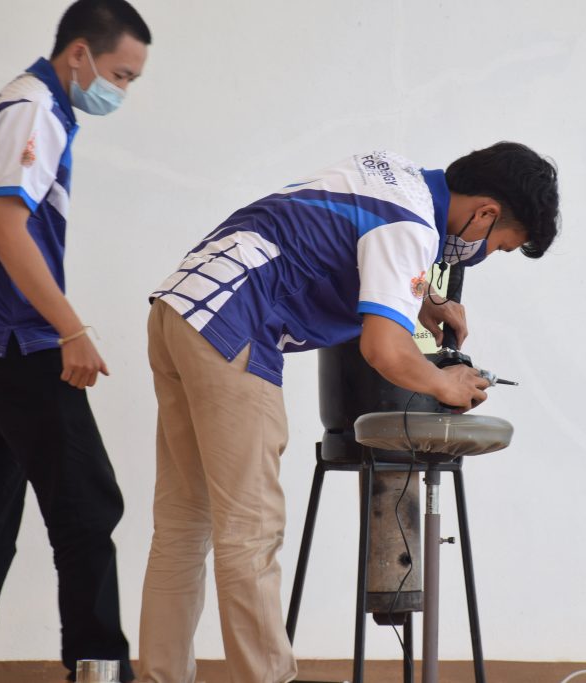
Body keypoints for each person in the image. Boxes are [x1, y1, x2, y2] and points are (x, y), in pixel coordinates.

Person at [137, 143, 559, 683]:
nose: (484, 252)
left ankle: (161, 675)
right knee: (251, 529)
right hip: (233, 325)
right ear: (485, 213)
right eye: (499, 245)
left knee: (183, 524)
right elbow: (384, 349)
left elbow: (332, 242)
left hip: (181, 307)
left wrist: (417, 299)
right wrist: (444, 382)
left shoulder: (392, 173)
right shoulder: (412, 227)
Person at [0, 2, 150, 681]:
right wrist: (71, 329)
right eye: (120, 74)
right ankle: (99, 669)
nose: (123, 90)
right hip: (7, 335)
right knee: (87, 502)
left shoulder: (27, 102)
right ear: (79, 53)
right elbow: (7, 230)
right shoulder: (35, 109)